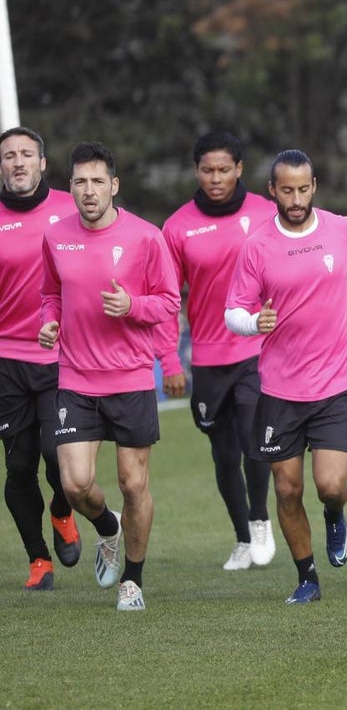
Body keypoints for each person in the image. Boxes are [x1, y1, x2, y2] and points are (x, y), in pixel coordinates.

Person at [224, 149, 347, 604]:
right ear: (272, 191)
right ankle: (307, 577)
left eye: (303, 189)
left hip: (336, 382)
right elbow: (233, 310)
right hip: (280, 389)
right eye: (286, 191)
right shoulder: (257, 245)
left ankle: (334, 513)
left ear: (314, 186)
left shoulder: (341, 230)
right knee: (287, 488)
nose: (296, 200)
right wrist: (253, 323)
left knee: (330, 485)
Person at [39, 141, 181, 611]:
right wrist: (49, 322)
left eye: (98, 181)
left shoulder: (146, 237)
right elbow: (50, 294)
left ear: (114, 185)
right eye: (80, 181)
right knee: (74, 484)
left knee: (133, 484)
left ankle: (132, 581)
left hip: (131, 377)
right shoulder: (56, 236)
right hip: (76, 377)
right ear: (70, 187)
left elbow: (169, 302)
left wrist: (132, 306)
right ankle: (107, 526)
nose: (89, 190)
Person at [158, 131, 278, 571]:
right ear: (196, 171)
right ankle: (243, 538)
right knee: (224, 454)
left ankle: (260, 519)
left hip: (256, 349)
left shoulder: (266, 214)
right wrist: (170, 360)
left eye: (224, 169)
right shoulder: (177, 227)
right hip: (207, 358)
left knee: (252, 438)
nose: (215, 178)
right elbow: (167, 299)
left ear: (239, 169)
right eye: (207, 170)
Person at [0, 126, 82, 591]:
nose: (18, 162)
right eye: (9, 155)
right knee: (18, 466)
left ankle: (62, 510)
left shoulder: (71, 209)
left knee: (58, 456)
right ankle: (38, 559)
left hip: (59, 357)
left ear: (43, 163)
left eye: (26, 154)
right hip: (5, 362)